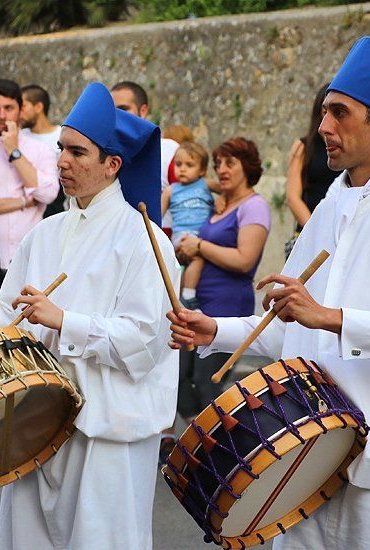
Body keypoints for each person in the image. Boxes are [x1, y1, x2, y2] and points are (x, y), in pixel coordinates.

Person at [169, 36, 370, 550]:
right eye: (323, 112)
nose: (323, 127)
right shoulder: (331, 206)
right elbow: (293, 329)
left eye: (339, 112)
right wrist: (216, 329)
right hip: (307, 459)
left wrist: (334, 318)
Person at [0, 82, 178, 549]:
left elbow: (145, 341)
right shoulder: (46, 233)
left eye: (78, 152)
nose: (61, 162)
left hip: (107, 435)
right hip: (36, 426)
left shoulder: (146, 241)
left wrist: (64, 320)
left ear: (112, 164)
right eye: (60, 149)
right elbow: (6, 313)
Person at [172, 137, 270, 437]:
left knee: (207, 383)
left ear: (247, 168)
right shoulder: (218, 206)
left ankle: (222, 450)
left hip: (227, 308)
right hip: (196, 303)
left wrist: (199, 245)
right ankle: (204, 441)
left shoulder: (255, 206)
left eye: (230, 163)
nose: (221, 170)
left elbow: (244, 260)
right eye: (217, 164)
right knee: (176, 379)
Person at [0, 79, 59, 269]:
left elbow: (48, 194)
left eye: (8, 108)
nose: (2, 115)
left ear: (20, 110)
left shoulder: (41, 150)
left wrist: (14, 152)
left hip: (30, 261)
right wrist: (25, 201)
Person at [111, 81, 180, 230]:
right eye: (112, 110)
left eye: (123, 109)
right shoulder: (102, 152)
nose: (117, 116)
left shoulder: (169, 150)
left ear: (143, 111)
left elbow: (187, 193)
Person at [285, 83, 342, 257]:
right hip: (308, 233)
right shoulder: (303, 146)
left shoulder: (349, 148)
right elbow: (293, 197)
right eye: (325, 111)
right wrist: (314, 231)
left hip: (339, 234)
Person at [160, 141, 214, 310]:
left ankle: (181, 295)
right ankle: (188, 296)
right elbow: (158, 215)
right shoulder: (171, 190)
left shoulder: (206, 184)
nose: (182, 169)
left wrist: (223, 201)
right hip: (182, 235)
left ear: (202, 170)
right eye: (178, 164)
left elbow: (229, 192)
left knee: (188, 264)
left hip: (202, 234)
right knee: (196, 259)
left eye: (189, 165)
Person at [20, 84, 66, 218]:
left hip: (54, 209)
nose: (19, 112)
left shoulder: (62, 136)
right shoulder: (19, 138)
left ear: (38, 107)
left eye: (23, 106)